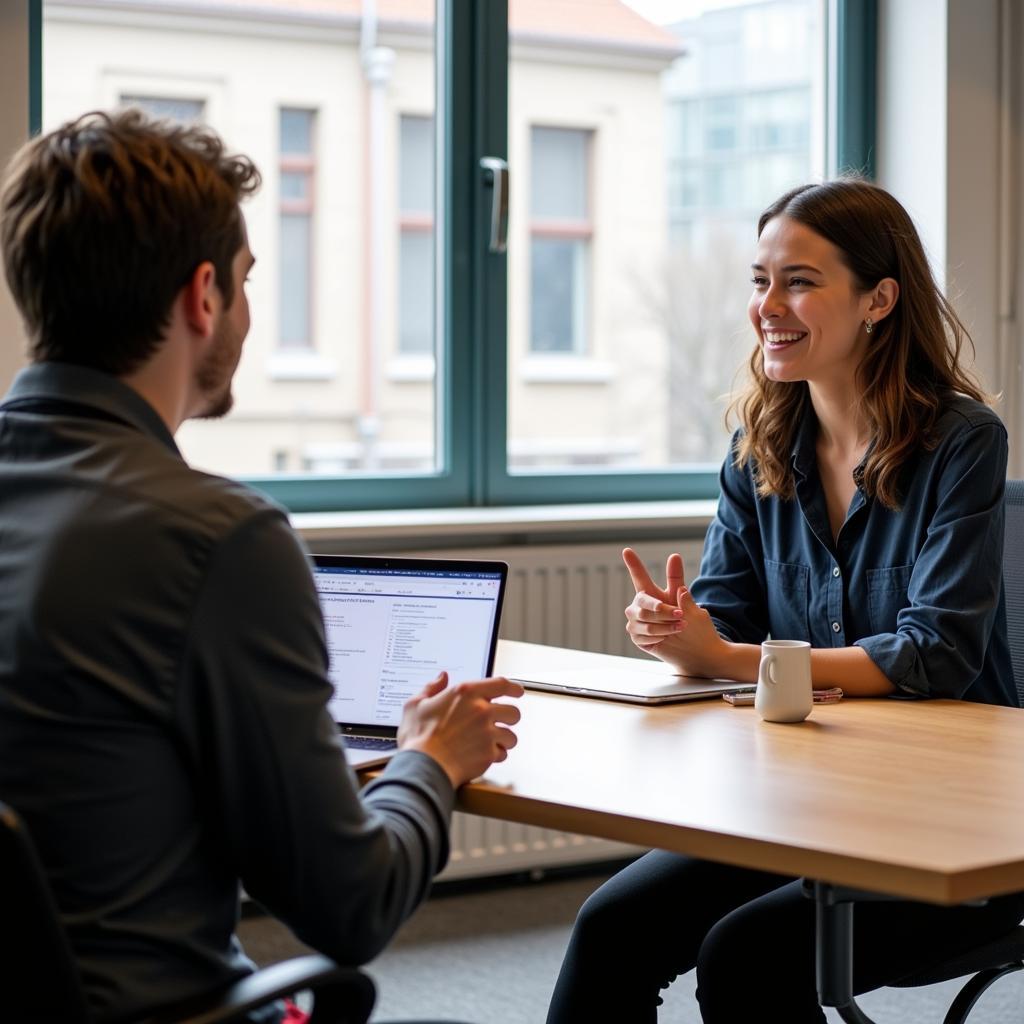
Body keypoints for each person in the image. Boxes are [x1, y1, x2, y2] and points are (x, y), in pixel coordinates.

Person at [0, 109, 522, 1024]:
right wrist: (429, 761)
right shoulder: (215, 539)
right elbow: (350, 907)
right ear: (203, 297)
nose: (246, 308)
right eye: (245, 281)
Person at [545, 178, 1024, 1023]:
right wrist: (676, 629)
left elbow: (935, 652)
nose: (769, 305)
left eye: (799, 280)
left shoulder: (962, 442)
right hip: (800, 802)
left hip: (951, 825)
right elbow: (723, 616)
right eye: (760, 280)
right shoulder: (759, 444)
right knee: (610, 928)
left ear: (879, 299)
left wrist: (730, 660)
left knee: (750, 958)